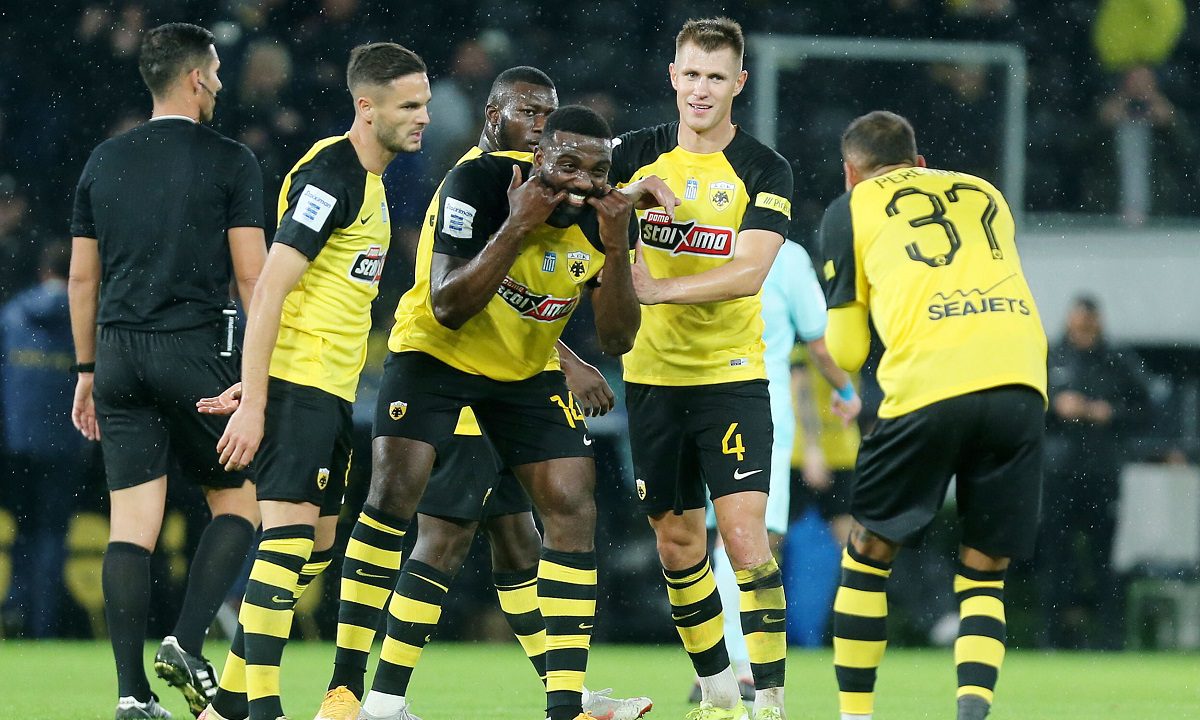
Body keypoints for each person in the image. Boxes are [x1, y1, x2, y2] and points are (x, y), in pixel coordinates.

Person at [316, 67, 650, 720]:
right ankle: (352, 691)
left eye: (595, 170)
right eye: (531, 118)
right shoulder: (476, 183)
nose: (581, 180)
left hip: (522, 375)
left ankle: (565, 704)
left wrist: (614, 256)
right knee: (408, 509)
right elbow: (449, 305)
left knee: (559, 513)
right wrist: (519, 226)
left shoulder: (604, 218)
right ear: (513, 133)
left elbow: (618, 338)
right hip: (437, 360)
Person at [192, 42, 431, 720]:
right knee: (289, 543)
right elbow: (269, 287)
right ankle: (260, 709)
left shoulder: (372, 181)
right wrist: (258, 397)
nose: (423, 117)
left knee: (318, 551)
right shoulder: (332, 175)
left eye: (425, 104)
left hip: (329, 390)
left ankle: (225, 705)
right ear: (367, 107)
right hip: (300, 384)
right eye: (409, 106)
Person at [814, 110, 1047, 720]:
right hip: (1021, 381)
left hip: (931, 383)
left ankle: (855, 716)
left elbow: (847, 350)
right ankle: (972, 711)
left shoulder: (849, 208)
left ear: (850, 173)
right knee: (984, 571)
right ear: (918, 162)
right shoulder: (985, 192)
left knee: (867, 552)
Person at [67, 22, 267, 720]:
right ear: (195, 77)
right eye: (215, 71)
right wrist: (262, 371)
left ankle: (131, 694)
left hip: (116, 353)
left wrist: (87, 370)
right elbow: (253, 275)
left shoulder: (104, 159)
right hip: (193, 351)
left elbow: (82, 279)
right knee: (239, 504)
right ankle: (186, 640)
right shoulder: (231, 159)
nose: (220, 82)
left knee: (131, 527)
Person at [610, 17, 794, 720]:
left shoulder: (764, 169)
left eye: (716, 77)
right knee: (676, 543)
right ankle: (717, 692)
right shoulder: (633, 154)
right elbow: (559, 191)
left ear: (738, 83)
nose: (701, 89)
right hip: (652, 379)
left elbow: (749, 271)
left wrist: (657, 289)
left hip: (730, 377)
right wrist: (623, 201)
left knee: (746, 541)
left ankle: (770, 700)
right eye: (691, 74)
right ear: (672, 76)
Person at [695, 239, 860, 703]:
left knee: (712, 542)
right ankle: (742, 667)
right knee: (753, 541)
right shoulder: (786, 255)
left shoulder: (705, 239)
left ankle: (712, 668)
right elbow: (819, 341)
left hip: (698, 401)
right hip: (759, 410)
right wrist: (847, 391)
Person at [1038, 295, 1148, 649]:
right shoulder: (1049, 357)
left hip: (1101, 472)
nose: (1084, 329)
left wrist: (1109, 413)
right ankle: (1052, 638)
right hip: (1059, 473)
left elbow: (1146, 408)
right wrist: (1055, 407)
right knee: (1056, 557)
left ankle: (1111, 638)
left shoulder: (1117, 360)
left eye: (1089, 323)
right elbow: (1024, 406)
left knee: (1105, 558)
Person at [1, 242, 82, 639]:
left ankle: (16, 608)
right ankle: (45, 620)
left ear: (43, 271)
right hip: (66, 444)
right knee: (53, 534)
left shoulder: (13, 314)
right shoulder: (85, 317)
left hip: (17, 444)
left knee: (23, 530)